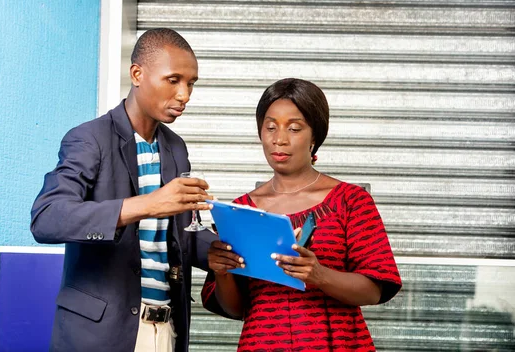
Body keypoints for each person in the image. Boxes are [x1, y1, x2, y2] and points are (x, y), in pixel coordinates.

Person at [31, 28, 228, 352]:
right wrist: (147, 204)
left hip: (165, 329)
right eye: (174, 80)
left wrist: (229, 247)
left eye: (191, 83)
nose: (185, 95)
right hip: (101, 335)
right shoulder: (89, 138)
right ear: (137, 74)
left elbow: (179, 237)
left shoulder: (175, 148)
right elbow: (47, 218)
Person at [201, 78, 402, 351]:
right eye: (270, 127)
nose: (279, 139)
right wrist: (221, 271)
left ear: (315, 136)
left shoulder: (350, 201)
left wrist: (319, 275)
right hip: (261, 344)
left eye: (294, 128)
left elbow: (376, 290)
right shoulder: (241, 211)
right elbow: (235, 309)